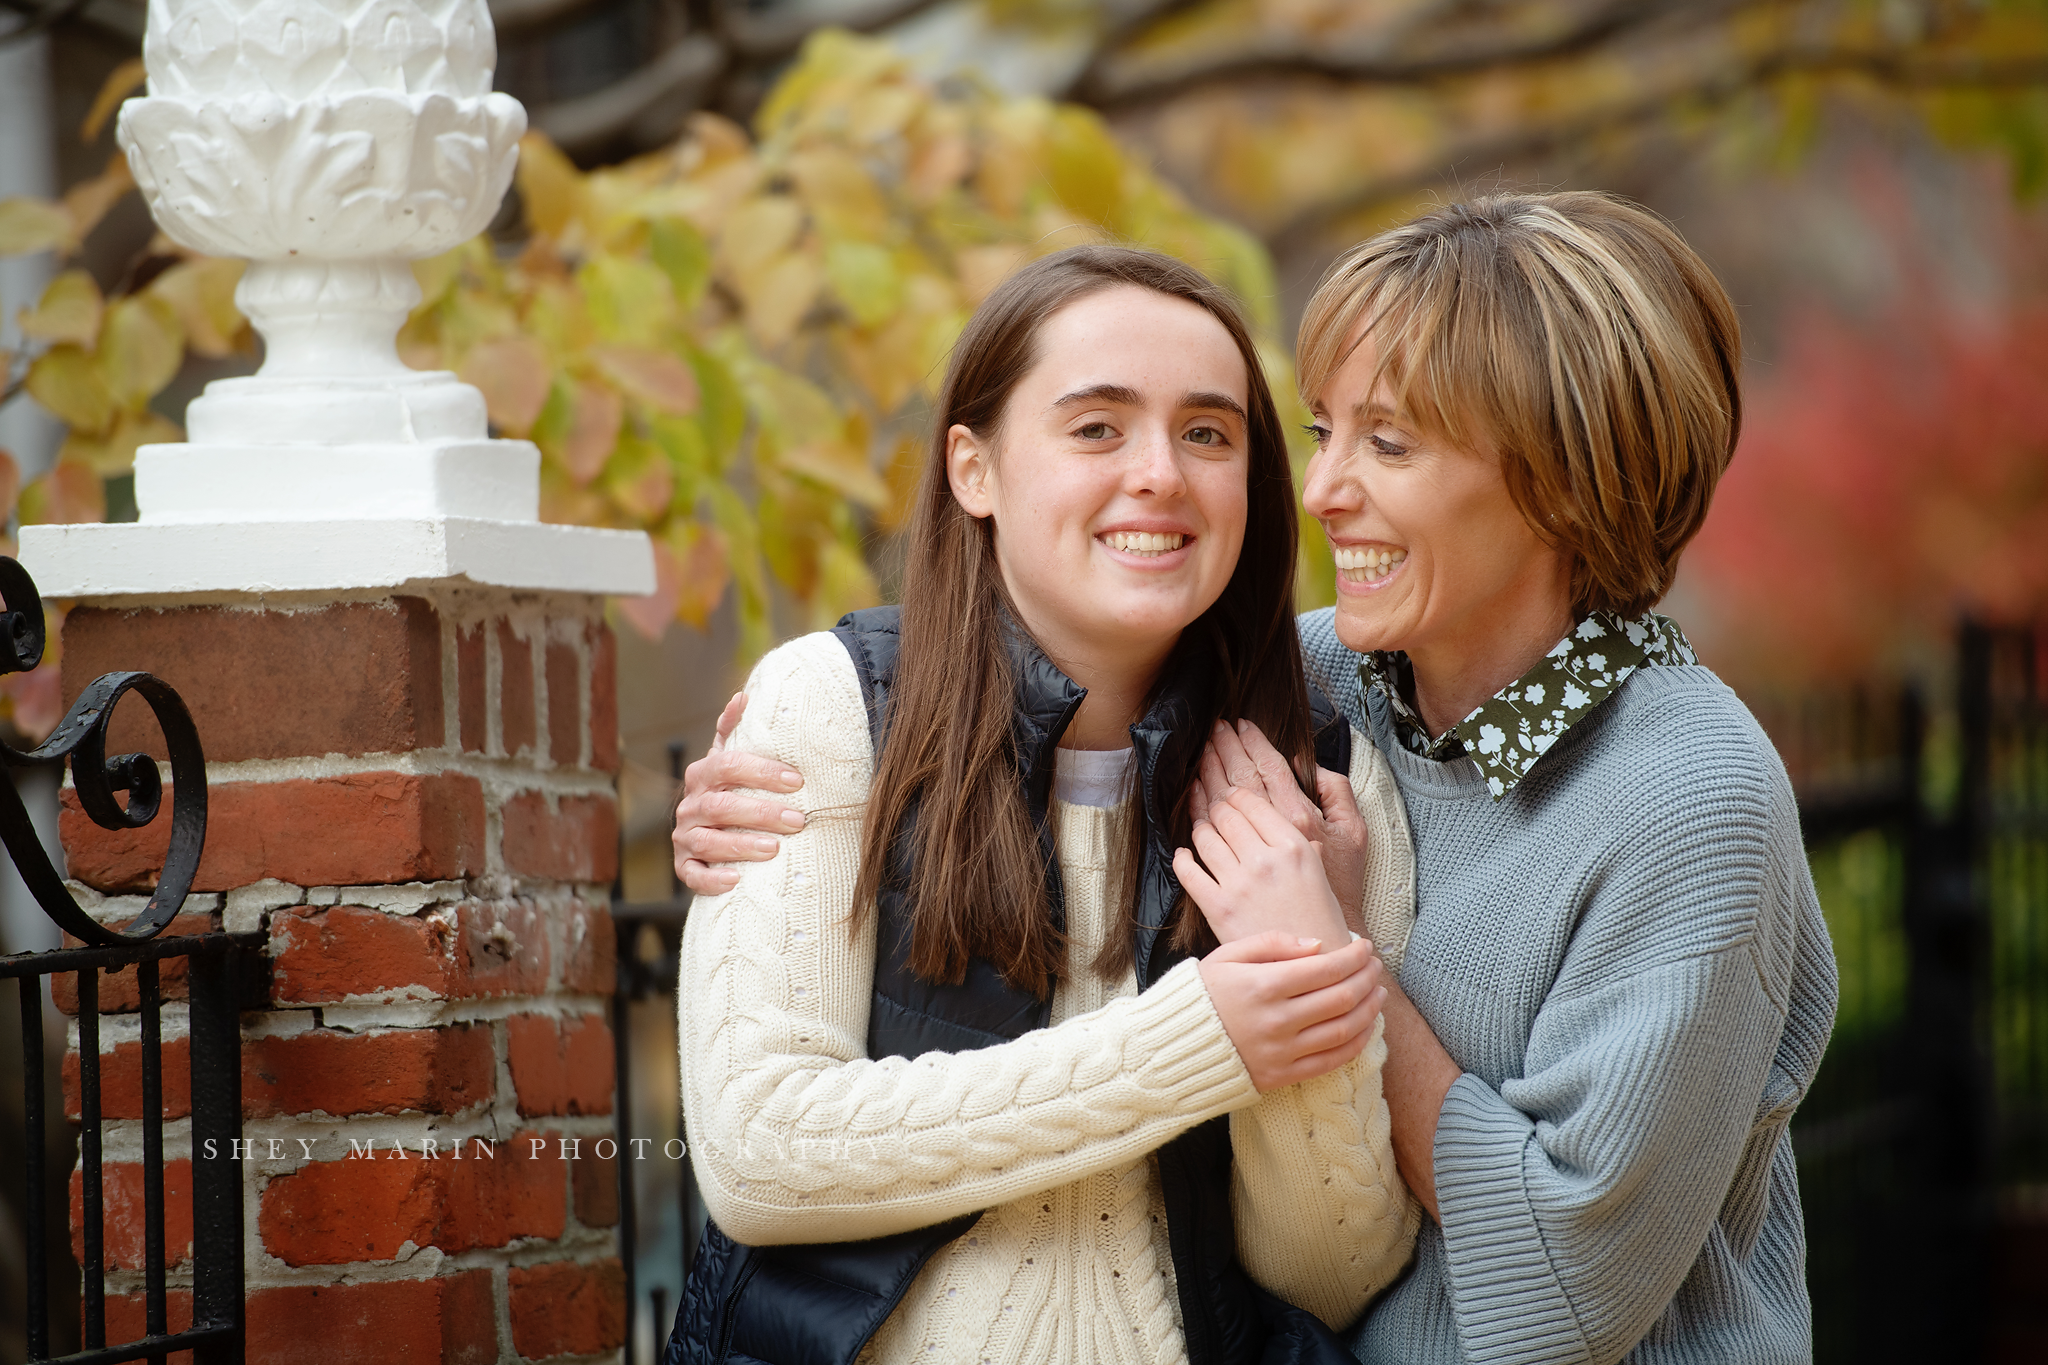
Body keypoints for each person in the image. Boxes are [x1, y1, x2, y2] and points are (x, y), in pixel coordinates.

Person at [674, 193, 1840, 1364]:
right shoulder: (1321, 686)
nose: (1323, 489)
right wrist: (798, 762)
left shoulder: (1687, 800)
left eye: (1386, 444)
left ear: (1562, 480)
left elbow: (1557, 1301)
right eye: (1321, 430)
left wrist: (1327, 961)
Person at [664, 244, 1420, 1365]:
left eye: (1206, 433)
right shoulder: (831, 712)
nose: (1160, 473)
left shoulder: (1324, 780)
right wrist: (1203, 1036)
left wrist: (1311, 957)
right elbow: (760, 1155)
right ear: (974, 470)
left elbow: (1330, 1273)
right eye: (1096, 427)